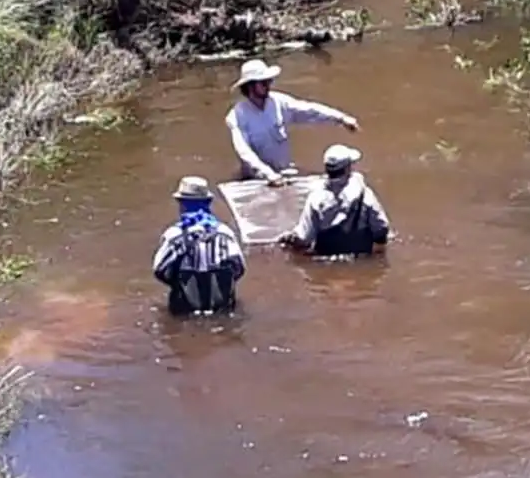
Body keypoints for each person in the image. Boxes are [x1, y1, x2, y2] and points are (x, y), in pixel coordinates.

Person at [225, 59, 361, 186]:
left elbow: (310, 110)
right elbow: (243, 151)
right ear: (250, 86)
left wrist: (341, 118)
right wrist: (267, 174)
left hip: (283, 173)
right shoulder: (238, 116)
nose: (268, 85)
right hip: (256, 179)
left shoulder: (279, 102)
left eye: (269, 81)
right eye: (264, 83)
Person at [152, 176, 247, 315]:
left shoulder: (174, 235)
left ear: (182, 204)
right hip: (221, 306)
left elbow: (160, 270)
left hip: (186, 308)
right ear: (208, 203)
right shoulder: (225, 233)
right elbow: (239, 268)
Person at [277, 144, 390, 257]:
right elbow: (381, 227)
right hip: (360, 257)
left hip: (326, 258)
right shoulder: (365, 193)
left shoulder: (316, 197)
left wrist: (289, 238)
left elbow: (304, 238)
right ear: (347, 168)